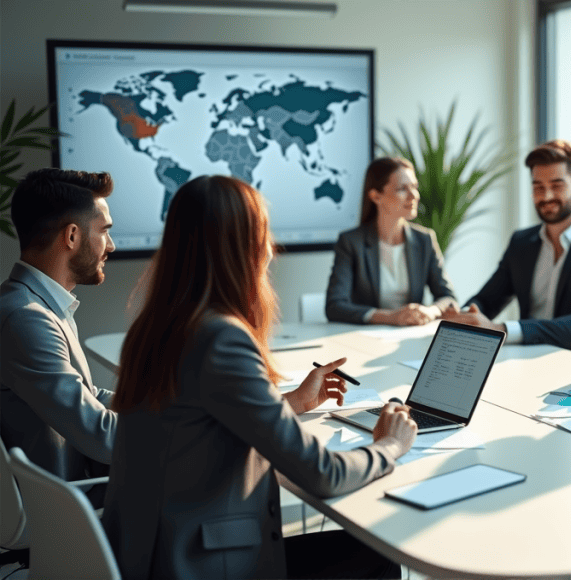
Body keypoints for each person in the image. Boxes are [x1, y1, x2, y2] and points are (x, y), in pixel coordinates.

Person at [102, 176, 418, 579]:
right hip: (203, 564)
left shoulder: (157, 328)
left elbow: (202, 421)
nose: (271, 252)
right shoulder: (221, 338)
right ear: (243, 249)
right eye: (265, 237)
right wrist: (391, 444)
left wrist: (295, 403)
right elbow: (323, 474)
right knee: (379, 552)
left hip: (156, 551)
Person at [441, 139, 571, 353]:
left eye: (557, 186)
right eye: (538, 187)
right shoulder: (521, 242)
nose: (546, 196)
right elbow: (487, 299)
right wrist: (465, 315)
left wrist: (503, 329)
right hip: (522, 358)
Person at [0, 168, 117, 504]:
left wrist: (159, 406)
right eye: (104, 232)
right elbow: (101, 437)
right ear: (72, 236)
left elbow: (85, 394)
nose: (111, 245)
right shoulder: (26, 318)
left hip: (74, 488)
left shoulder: (34, 304)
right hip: (66, 502)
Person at [325, 157, 457, 325]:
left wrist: (430, 311)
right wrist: (390, 317)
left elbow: (449, 298)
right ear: (376, 196)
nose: (414, 195)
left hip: (411, 336)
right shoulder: (351, 242)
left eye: (414, 187)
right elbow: (335, 306)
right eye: (402, 189)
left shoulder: (425, 240)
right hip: (365, 339)